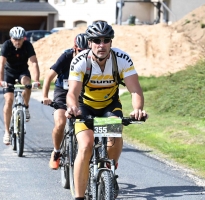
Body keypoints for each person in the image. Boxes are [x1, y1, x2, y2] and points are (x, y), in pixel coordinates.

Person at [66, 21, 148, 200]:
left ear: (111, 42)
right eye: (96, 40)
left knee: (115, 136)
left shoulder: (121, 59)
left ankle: (109, 169)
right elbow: (72, 92)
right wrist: (72, 107)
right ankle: (79, 196)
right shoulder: (80, 61)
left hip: (109, 106)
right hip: (85, 107)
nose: (101, 45)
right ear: (89, 42)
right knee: (86, 146)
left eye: (106, 40)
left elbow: (135, 89)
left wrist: (138, 109)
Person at [42, 33, 89, 170]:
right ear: (75, 49)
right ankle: (56, 152)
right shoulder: (66, 56)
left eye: (87, 52)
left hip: (81, 93)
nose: (83, 55)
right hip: (62, 92)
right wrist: (45, 96)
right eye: (80, 52)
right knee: (60, 122)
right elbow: (49, 76)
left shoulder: (93, 59)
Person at [0, 26, 40, 145]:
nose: (17, 42)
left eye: (20, 39)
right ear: (11, 38)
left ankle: (25, 106)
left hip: (22, 72)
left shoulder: (27, 45)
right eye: (15, 39)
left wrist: (36, 80)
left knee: (27, 84)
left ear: (23, 38)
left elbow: (34, 62)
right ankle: (6, 132)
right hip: (9, 73)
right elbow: (1, 63)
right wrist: (1, 80)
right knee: (9, 101)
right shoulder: (6, 45)